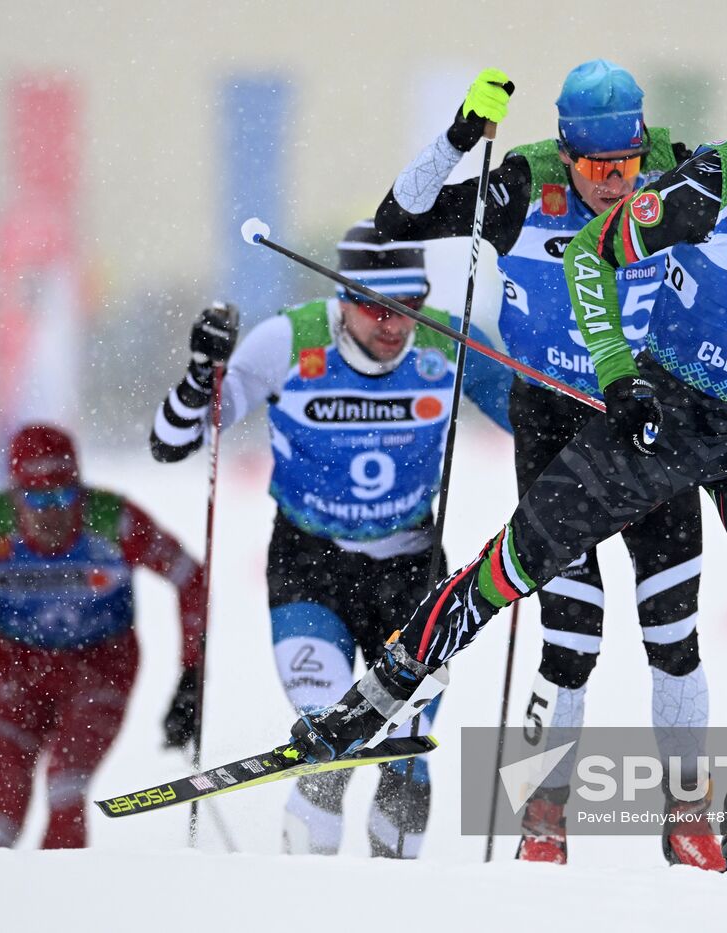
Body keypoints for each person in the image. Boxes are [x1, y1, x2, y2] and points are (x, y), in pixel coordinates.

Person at [290, 30, 727, 872]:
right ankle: (380, 699)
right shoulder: (716, 182)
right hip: (668, 408)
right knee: (525, 572)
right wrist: (621, 376)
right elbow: (588, 254)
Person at [376, 60, 718, 867]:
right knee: (570, 633)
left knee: (675, 631)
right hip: (556, 424)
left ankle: (689, 816)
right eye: (596, 167)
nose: (614, 183)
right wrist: (462, 136)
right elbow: (398, 220)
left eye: (626, 164)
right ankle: (544, 814)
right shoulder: (521, 185)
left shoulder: (676, 168)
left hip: (650, 417)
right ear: (566, 154)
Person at [150, 221, 511, 859]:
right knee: (326, 745)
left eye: (409, 305)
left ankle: (390, 901)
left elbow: (537, 418)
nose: (394, 325)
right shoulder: (289, 340)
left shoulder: (447, 345)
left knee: (407, 758)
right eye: (375, 307)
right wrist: (200, 374)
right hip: (310, 566)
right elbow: (173, 441)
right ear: (342, 299)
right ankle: (307, 901)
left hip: (412, 575)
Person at [0, 423, 207, 848]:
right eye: (37, 498)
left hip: (101, 666)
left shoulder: (111, 521)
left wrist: (190, 679)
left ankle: (60, 903)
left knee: (65, 784)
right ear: (14, 494)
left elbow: (192, 580)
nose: (52, 511)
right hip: (19, 671)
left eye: (64, 495)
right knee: (0, 825)